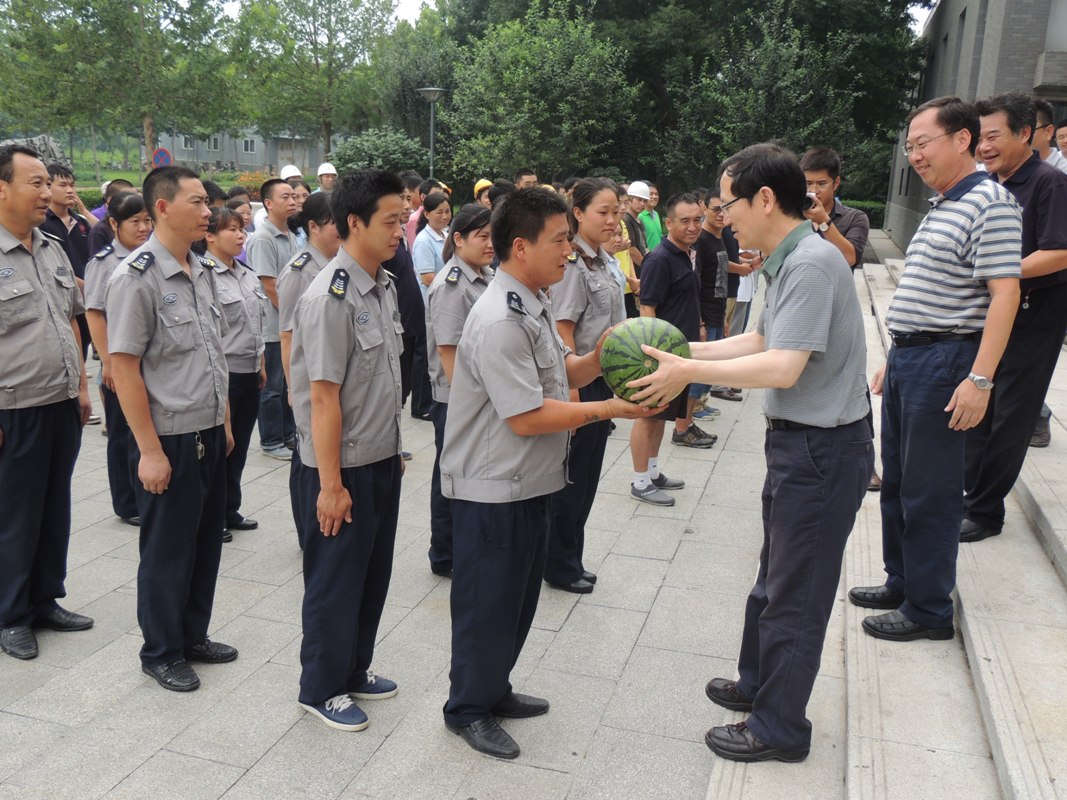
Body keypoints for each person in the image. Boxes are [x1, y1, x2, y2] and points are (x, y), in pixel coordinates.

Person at [629, 142, 873, 765]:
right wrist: (680, 352)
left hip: (822, 450)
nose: (722, 215)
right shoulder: (787, 259)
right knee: (773, 579)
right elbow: (763, 338)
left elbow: (783, 366)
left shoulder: (811, 262)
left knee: (796, 591)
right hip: (800, 444)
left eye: (727, 203)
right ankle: (759, 682)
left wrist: (687, 371)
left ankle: (779, 727)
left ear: (765, 199)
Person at [439, 187, 659, 760]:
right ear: (521, 246)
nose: (568, 250)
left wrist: (604, 354)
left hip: (529, 480)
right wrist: (610, 408)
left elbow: (565, 372)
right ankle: (467, 709)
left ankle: (494, 688)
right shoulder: (499, 319)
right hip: (494, 488)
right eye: (559, 240)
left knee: (515, 600)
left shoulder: (531, 301)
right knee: (487, 604)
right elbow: (527, 415)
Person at [848, 97, 1021, 642]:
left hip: (947, 361)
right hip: (913, 358)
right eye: (910, 146)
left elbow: (1005, 295)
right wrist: (897, 355)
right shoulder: (945, 203)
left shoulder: (990, 203)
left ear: (962, 139)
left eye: (923, 143)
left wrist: (980, 379)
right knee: (899, 480)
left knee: (932, 489)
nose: (914, 155)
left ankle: (928, 609)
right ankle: (902, 581)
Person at [107, 165, 238, 692]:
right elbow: (123, 368)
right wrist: (149, 451)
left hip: (208, 428)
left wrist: (224, 419)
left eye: (208, 202)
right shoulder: (136, 278)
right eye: (197, 202)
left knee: (205, 543)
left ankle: (191, 636)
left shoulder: (201, 269)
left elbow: (211, 353)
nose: (209, 211)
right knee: (168, 549)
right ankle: (161, 651)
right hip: (170, 436)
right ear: (162, 207)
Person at [289, 169, 406, 731]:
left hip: (380, 457)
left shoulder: (382, 284)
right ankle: (321, 687)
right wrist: (331, 485)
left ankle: (354, 668)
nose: (400, 230)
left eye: (402, 219)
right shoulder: (328, 296)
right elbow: (323, 398)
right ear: (354, 223)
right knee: (335, 582)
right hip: (341, 467)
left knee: (371, 576)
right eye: (391, 221)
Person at [0, 144, 94, 662]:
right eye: (34, 183)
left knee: (54, 505)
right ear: (2, 189)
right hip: (13, 408)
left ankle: (44, 599)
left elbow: (72, 319)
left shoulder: (52, 247)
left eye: (46, 182)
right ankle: (11, 614)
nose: (47, 191)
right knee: (15, 513)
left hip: (60, 400)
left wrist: (81, 386)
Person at [959, 93, 1067, 542]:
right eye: (979, 138)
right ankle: (970, 495)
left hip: (1035, 314)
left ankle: (985, 512)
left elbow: (1060, 252)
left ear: (1025, 134)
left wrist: (999, 271)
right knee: (977, 406)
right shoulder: (986, 184)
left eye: (993, 136)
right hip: (991, 311)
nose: (983, 147)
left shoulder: (1049, 183)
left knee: (1011, 415)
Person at [544, 178, 625, 594]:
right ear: (578, 213)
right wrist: (572, 394)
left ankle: (571, 555)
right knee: (572, 479)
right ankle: (558, 564)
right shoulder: (573, 265)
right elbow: (563, 329)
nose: (612, 220)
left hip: (600, 379)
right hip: (581, 383)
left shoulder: (603, 260)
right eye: (603, 212)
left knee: (588, 476)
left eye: (616, 212)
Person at [629, 193, 715, 511]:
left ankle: (652, 472)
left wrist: (700, 325)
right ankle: (640, 482)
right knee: (648, 418)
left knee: (662, 418)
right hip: (661, 357)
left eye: (697, 220)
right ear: (668, 223)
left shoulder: (688, 253)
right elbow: (647, 307)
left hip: (680, 355)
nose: (693, 227)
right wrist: (652, 357)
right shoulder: (659, 259)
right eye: (685, 221)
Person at [424, 203, 495, 579]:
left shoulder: (485, 276)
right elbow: (448, 352)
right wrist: (467, 406)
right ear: (459, 239)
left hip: (479, 394)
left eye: (493, 236)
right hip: (456, 399)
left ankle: (462, 547)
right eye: (482, 236)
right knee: (450, 475)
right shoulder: (451, 285)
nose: (490, 244)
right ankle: (445, 553)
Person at [195, 206, 266, 543]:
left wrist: (261, 362)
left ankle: (229, 507)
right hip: (223, 373)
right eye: (231, 230)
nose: (240, 236)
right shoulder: (203, 275)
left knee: (239, 446)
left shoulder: (246, 273)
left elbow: (256, 323)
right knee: (221, 446)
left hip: (249, 370)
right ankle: (212, 516)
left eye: (241, 229)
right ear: (210, 236)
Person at [83, 192, 153, 527]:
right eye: (134, 222)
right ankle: (126, 503)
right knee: (122, 432)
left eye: (147, 221)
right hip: (119, 362)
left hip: (145, 360)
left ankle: (142, 492)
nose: (143, 228)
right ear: (114, 223)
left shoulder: (150, 258)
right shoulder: (105, 263)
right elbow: (95, 313)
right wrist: (108, 363)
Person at [277, 192, 340, 550]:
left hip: (322, 376)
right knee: (307, 458)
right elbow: (287, 334)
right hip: (306, 382)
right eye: (334, 223)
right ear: (313, 226)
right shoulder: (301, 271)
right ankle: (306, 530)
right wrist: (292, 387)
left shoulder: (333, 265)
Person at [248, 178, 298, 460]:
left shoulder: (289, 234)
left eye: (293, 196)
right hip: (273, 325)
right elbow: (269, 285)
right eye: (285, 197)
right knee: (273, 386)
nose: (292, 201)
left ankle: (288, 434)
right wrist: (292, 318)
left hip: (288, 323)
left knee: (289, 383)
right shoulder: (263, 238)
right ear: (268, 203)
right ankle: (271, 440)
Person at [386, 185, 432, 427]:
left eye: (407, 198)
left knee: (404, 385)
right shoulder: (385, 242)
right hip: (399, 321)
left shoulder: (401, 235)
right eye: (401, 199)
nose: (407, 205)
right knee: (396, 387)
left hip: (412, 317)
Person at [40, 163, 94, 368]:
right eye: (63, 185)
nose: (70, 190)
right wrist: (80, 283)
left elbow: (92, 257)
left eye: (72, 185)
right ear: (48, 187)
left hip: (87, 298)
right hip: (61, 298)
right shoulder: (41, 224)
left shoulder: (80, 222)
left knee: (85, 344)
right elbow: (50, 265)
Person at [800, 147, 870, 269]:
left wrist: (823, 222)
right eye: (808, 183)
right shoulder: (792, 214)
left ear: (836, 183)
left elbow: (850, 258)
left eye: (821, 184)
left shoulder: (854, 218)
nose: (814, 190)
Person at [413, 192, 451, 295]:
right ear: (427, 214)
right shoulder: (423, 241)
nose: (445, 216)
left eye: (447, 211)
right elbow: (428, 279)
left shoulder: (446, 235)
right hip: (435, 297)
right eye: (439, 212)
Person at [88, 178, 135, 253]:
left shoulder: (139, 224)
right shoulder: (100, 230)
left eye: (134, 198)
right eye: (126, 198)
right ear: (110, 200)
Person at [622, 181, 650, 272]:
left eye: (645, 201)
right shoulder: (626, 220)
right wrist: (647, 267)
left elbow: (644, 246)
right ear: (630, 199)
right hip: (633, 271)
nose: (642, 204)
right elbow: (631, 249)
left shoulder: (640, 220)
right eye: (639, 200)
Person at [1034, 100, 1067, 175]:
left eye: (1031, 130)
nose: (1065, 140)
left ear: (1049, 132)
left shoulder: (1062, 173)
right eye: (1061, 137)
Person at [638, 183, 664, 250]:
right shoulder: (640, 216)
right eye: (651, 194)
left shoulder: (656, 214)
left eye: (656, 194)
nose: (654, 197)